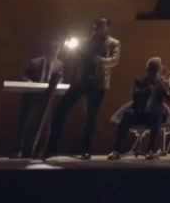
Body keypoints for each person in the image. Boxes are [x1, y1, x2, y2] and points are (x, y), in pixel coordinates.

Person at [46, 17, 120, 159]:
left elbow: (114, 60)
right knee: (61, 109)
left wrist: (100, 60)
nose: (98, 27)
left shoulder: (113, 42)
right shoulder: (88, 41)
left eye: (101, 25)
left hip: (98, 83)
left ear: (107, 27)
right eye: (97, 25)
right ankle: (52, 147)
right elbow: (78, 58)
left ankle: (86, 150)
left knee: (91, 116)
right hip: (81, 81)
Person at [108, 57, 170, 160]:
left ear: (158, 70)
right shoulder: (140, 80)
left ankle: (151, 151)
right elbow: (136, 95)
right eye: (151, 69)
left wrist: (168, 88)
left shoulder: (161, 83)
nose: (153, 73)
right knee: (127, 114)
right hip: (140, 113)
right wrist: (150, 88)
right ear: (147, 70)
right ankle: (116, 151)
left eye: (155, 70)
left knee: (157, 116)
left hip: (153, 116)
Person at [13, 41, 63, 158]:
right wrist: (30, 82)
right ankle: (19, 150)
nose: (55, 54)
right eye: (53, 51)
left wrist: (58, 83)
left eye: (57, 51)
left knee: (44, 125)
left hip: (47, 98)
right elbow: (23, 75)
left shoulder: (59, 64)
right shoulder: (34, 62)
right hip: (32, 97)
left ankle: (39, 152)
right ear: (48, 51)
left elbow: (61, 78)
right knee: (25, 123)